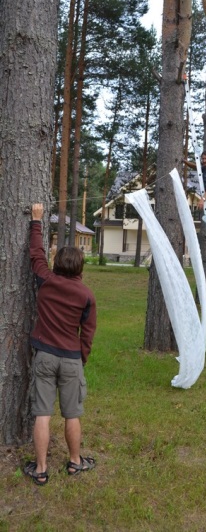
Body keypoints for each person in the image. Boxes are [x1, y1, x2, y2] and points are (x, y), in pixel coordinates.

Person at [24, 203, 97, 485]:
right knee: (72, 414)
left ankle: (41, 469)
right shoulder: (86, 295)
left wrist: (36, 221)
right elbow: (87, 333)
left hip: (43, 355)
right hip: (71, 359)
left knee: (42, 413)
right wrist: (82, 358)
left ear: (57, 265)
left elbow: (36, 254)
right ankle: (75, 462)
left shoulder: (46, 280)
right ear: (80, 267)